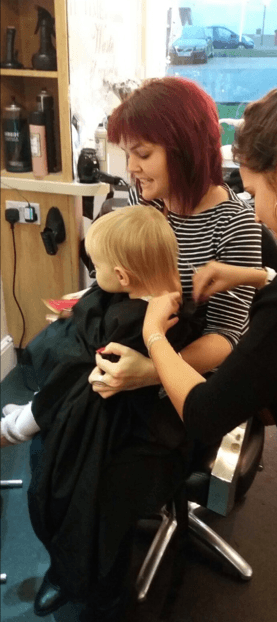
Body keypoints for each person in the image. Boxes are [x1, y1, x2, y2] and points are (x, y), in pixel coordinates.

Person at [24, 76, 263, 621]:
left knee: (98, 482)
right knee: (53, 449)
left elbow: (226, 340)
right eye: (128, 154)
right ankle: (69, 566)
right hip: (126, 361)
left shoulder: (235, 225)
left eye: (144, 153)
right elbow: (120, 275)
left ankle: (97, 591)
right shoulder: (141, 197)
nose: (132, 168)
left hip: (176, 391)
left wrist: (149, 370)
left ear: (186, 147)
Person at [141, 51, 277, 622]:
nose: (256, 211)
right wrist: (255, 274)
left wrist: (154, 342)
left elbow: (209, 411)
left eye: (257, 191)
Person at [0, 206, 204, 620]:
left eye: (97, 267)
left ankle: (97, 591)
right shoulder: (156, 288)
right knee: (58, 429)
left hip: (136, 421)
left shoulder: (134, 325)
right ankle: (67, 568)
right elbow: (100, 296)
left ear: (124, 277)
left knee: (73, 487)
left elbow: (87, 383)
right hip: (110, 405)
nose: (94, 275)